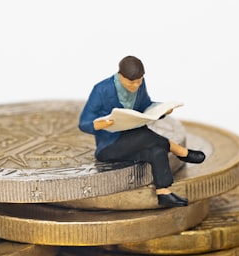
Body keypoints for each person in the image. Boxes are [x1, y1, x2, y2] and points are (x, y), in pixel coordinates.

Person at [78, 55, 205, 207]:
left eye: (140, 80)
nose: (136, 85)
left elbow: (146, 105)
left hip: (136, 141)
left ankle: (163, 192)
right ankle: (181, 152)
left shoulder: (140, 84)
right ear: (120, 76)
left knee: (157, 150)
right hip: (110, 146)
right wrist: (101, 124)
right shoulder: (101, 89)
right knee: (143, 135)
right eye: (132, 82)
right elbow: (84, 122)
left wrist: (161, 110)